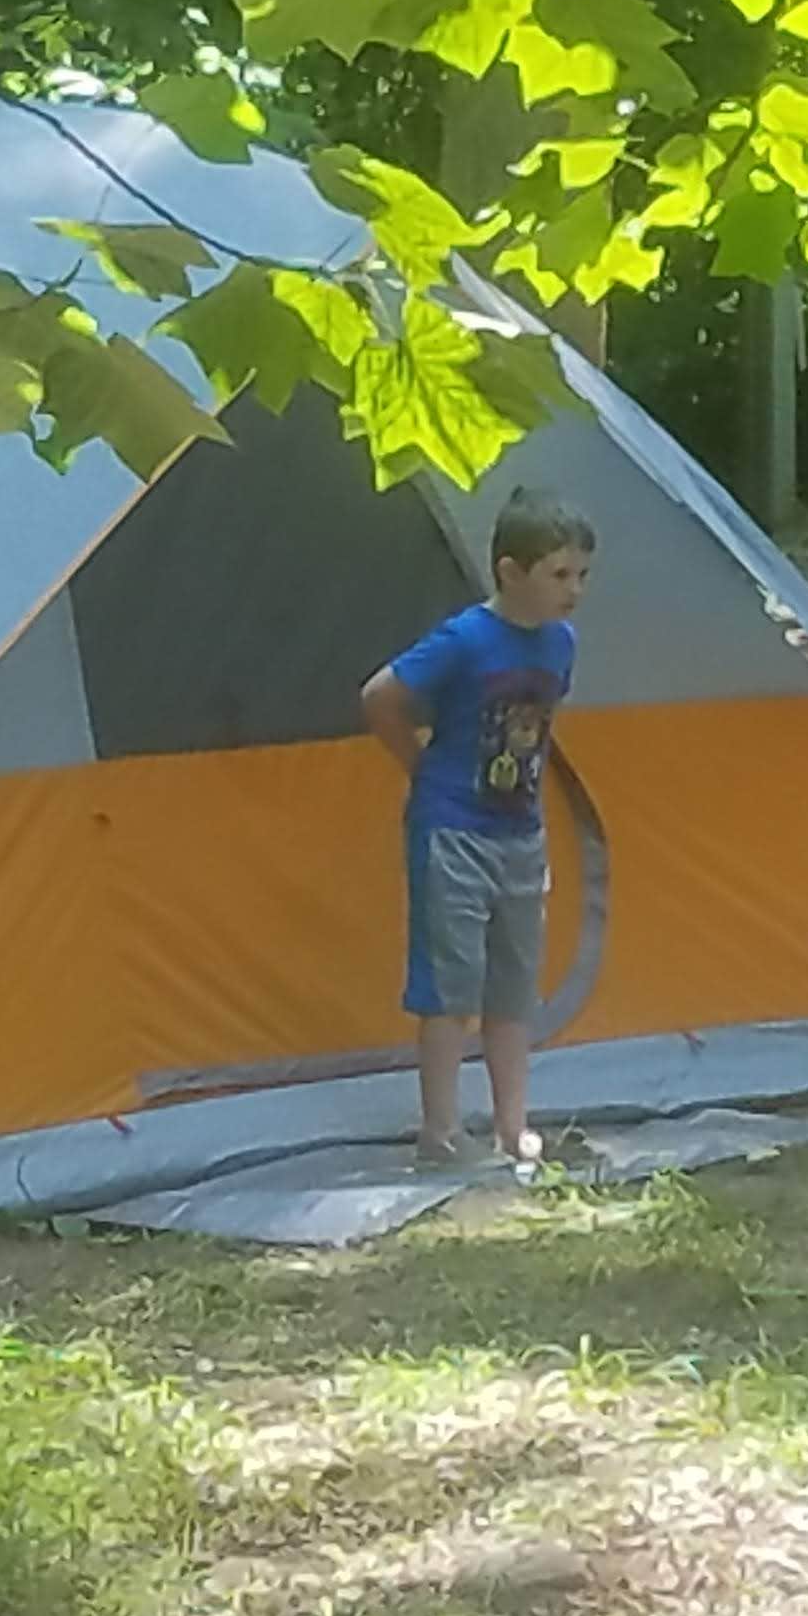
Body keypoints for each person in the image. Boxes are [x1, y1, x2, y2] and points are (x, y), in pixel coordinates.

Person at [361, 490, 596, 1171]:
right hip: (453, 833)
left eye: (582, 574)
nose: (574, 589)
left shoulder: (560, 644)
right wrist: (421, 769)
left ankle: (511, 1127)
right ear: (509, 571)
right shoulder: (467, 638)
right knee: (450, 989)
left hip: (520, 834)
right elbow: (380, 695)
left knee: (513, 987)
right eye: (559, 574)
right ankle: (440, 1133)